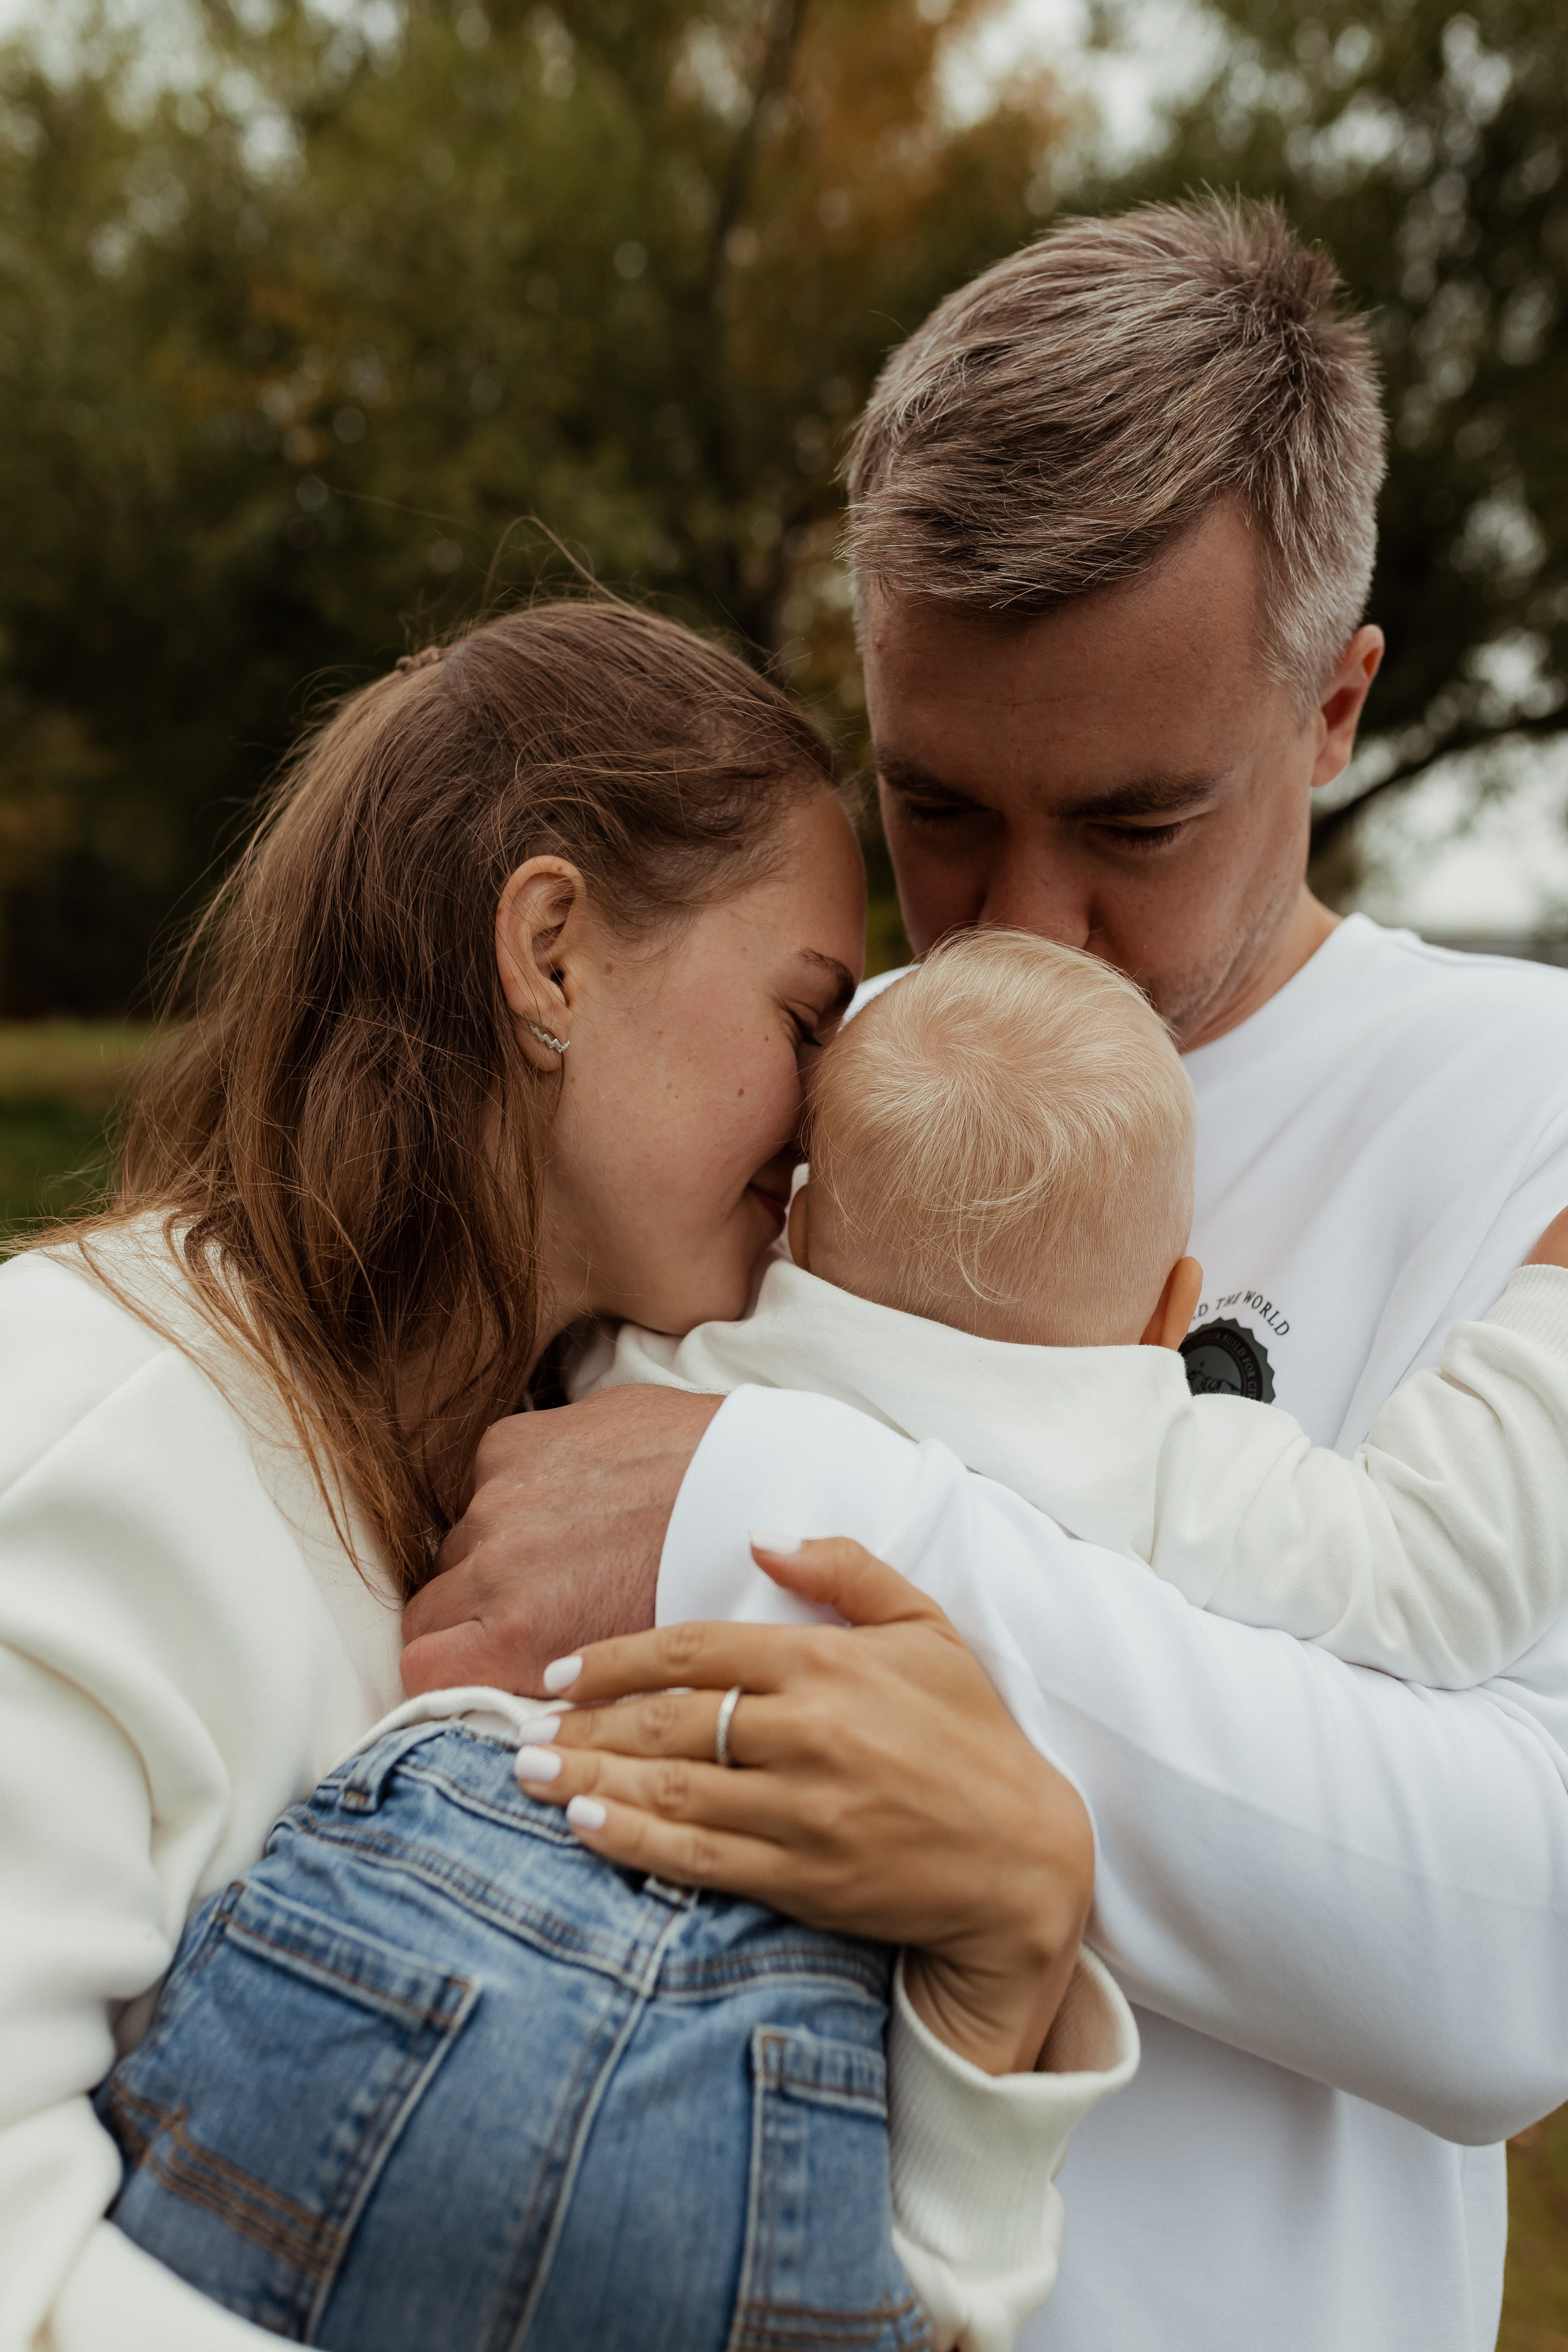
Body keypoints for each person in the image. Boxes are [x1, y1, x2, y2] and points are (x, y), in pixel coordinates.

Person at [402, 197, 1568, 2352]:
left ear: (1336, 709)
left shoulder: (1530, 1122)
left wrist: (742, 1525)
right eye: (935, 803)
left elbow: (1516, 1946)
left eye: (1135, 825)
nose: (1016, 929)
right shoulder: (789, 1079)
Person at [0, 605, 1134, 2352]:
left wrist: (998, 1979)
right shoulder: (81, 1432)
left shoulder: (608, 1500)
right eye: (809, 1017)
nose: (836, 1113)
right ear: (550, 956)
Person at [581, 925, 1568, 1691]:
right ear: (1172, 1316)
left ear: (796, 1225)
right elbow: (1439, 1570)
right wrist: (1549, 1305)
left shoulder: (687, 1360)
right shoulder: (1159, 1462)